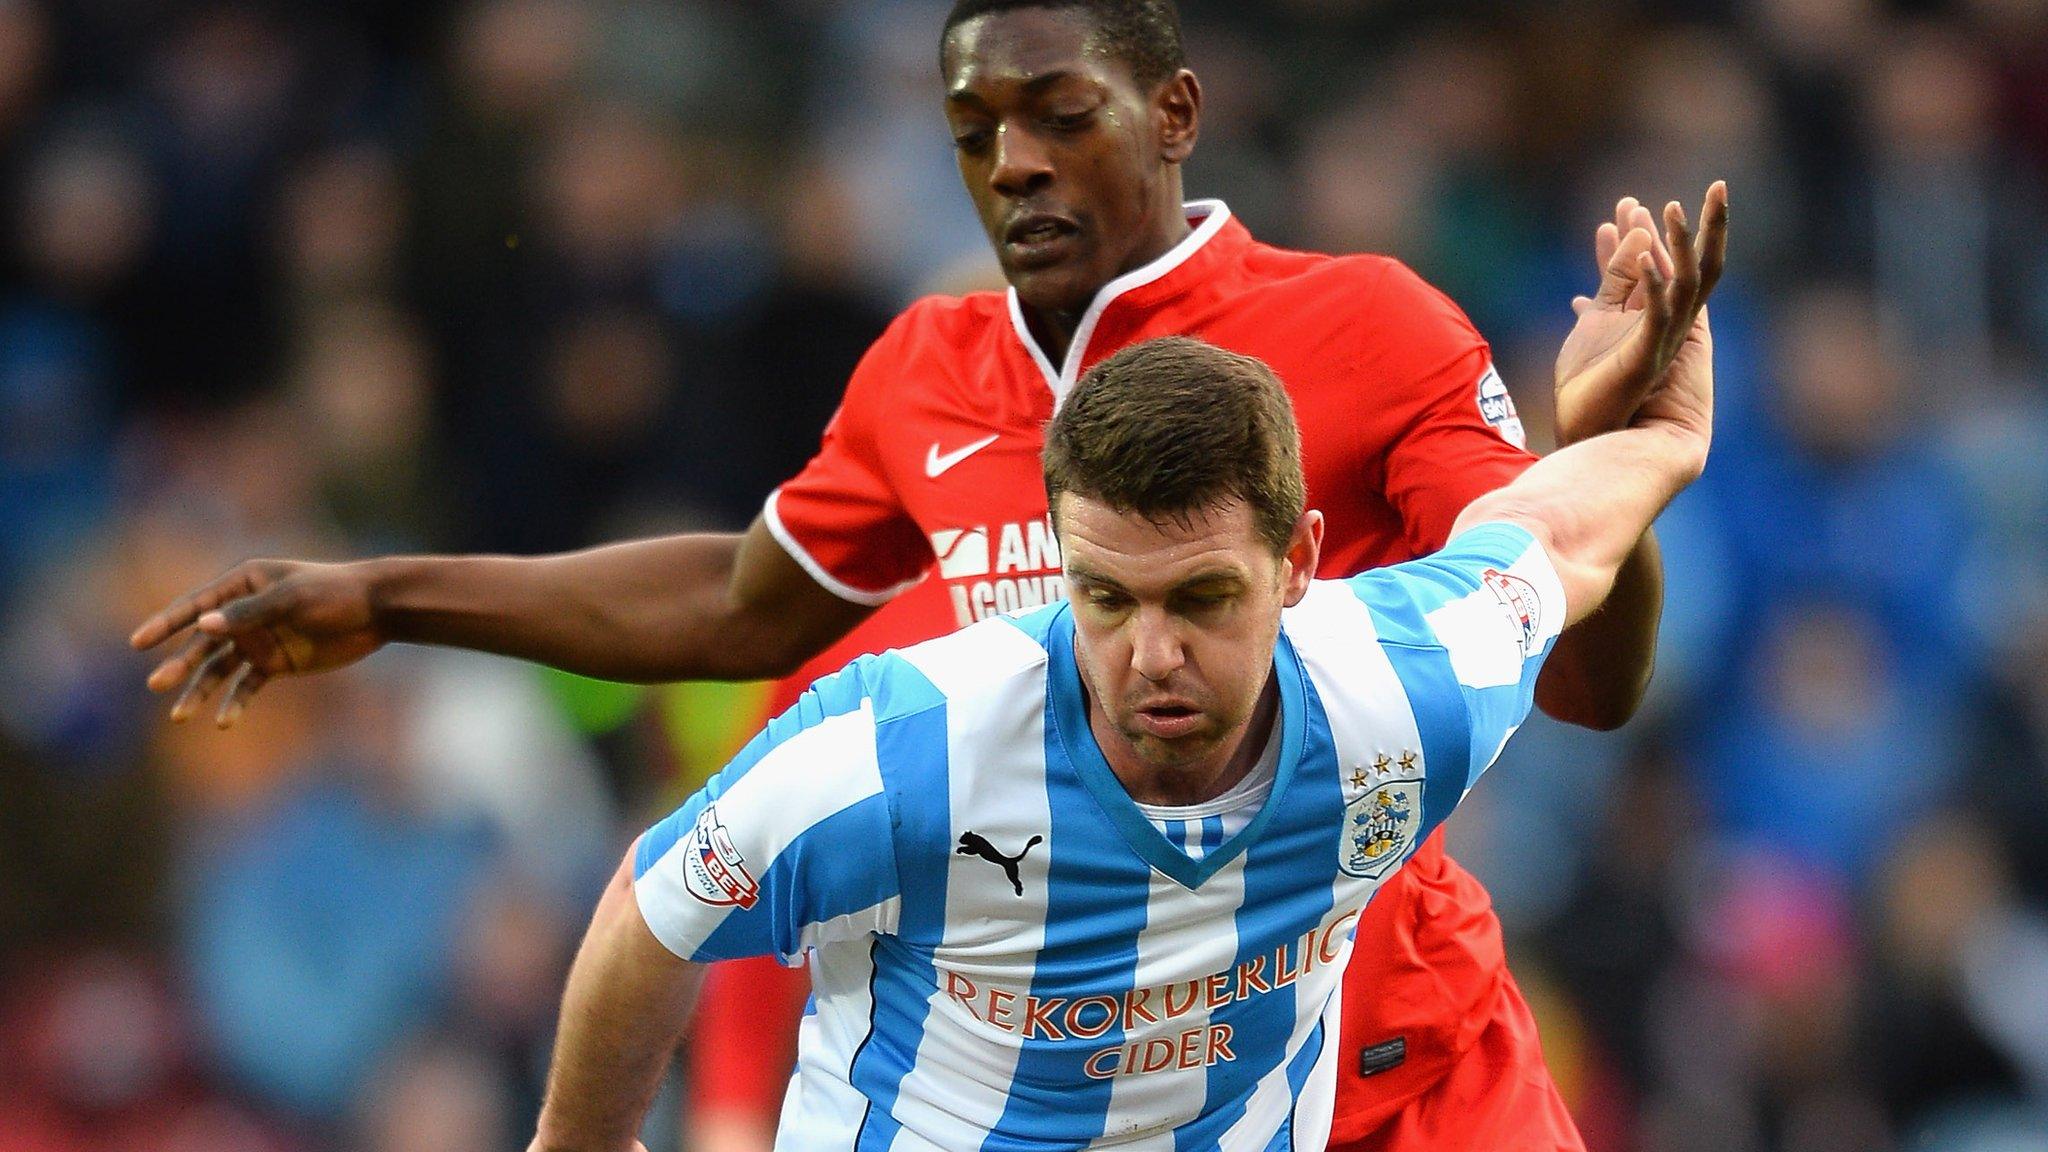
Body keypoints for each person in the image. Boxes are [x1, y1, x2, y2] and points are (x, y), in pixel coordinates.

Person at [129, 1, 1727, 1146]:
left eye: (1059, 115)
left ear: (1172, 113)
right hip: (1057, 1048)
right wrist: (395, 596)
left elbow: (1584, 681)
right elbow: (745, 604)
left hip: (1393, 1032)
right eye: (975, 135)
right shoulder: (927, 372)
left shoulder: (1370, 330)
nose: (1014, 164)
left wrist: (1608, 458)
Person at [530, 326, 1715, 1152]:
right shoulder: (901, 747)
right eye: (1104, 599)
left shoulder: (1404, 693)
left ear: (1297, 562)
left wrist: (1660, 441)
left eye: (1200, 598)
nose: (1149, 654)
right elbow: (655, 904)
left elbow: (1554, 541)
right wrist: (579, 1140)